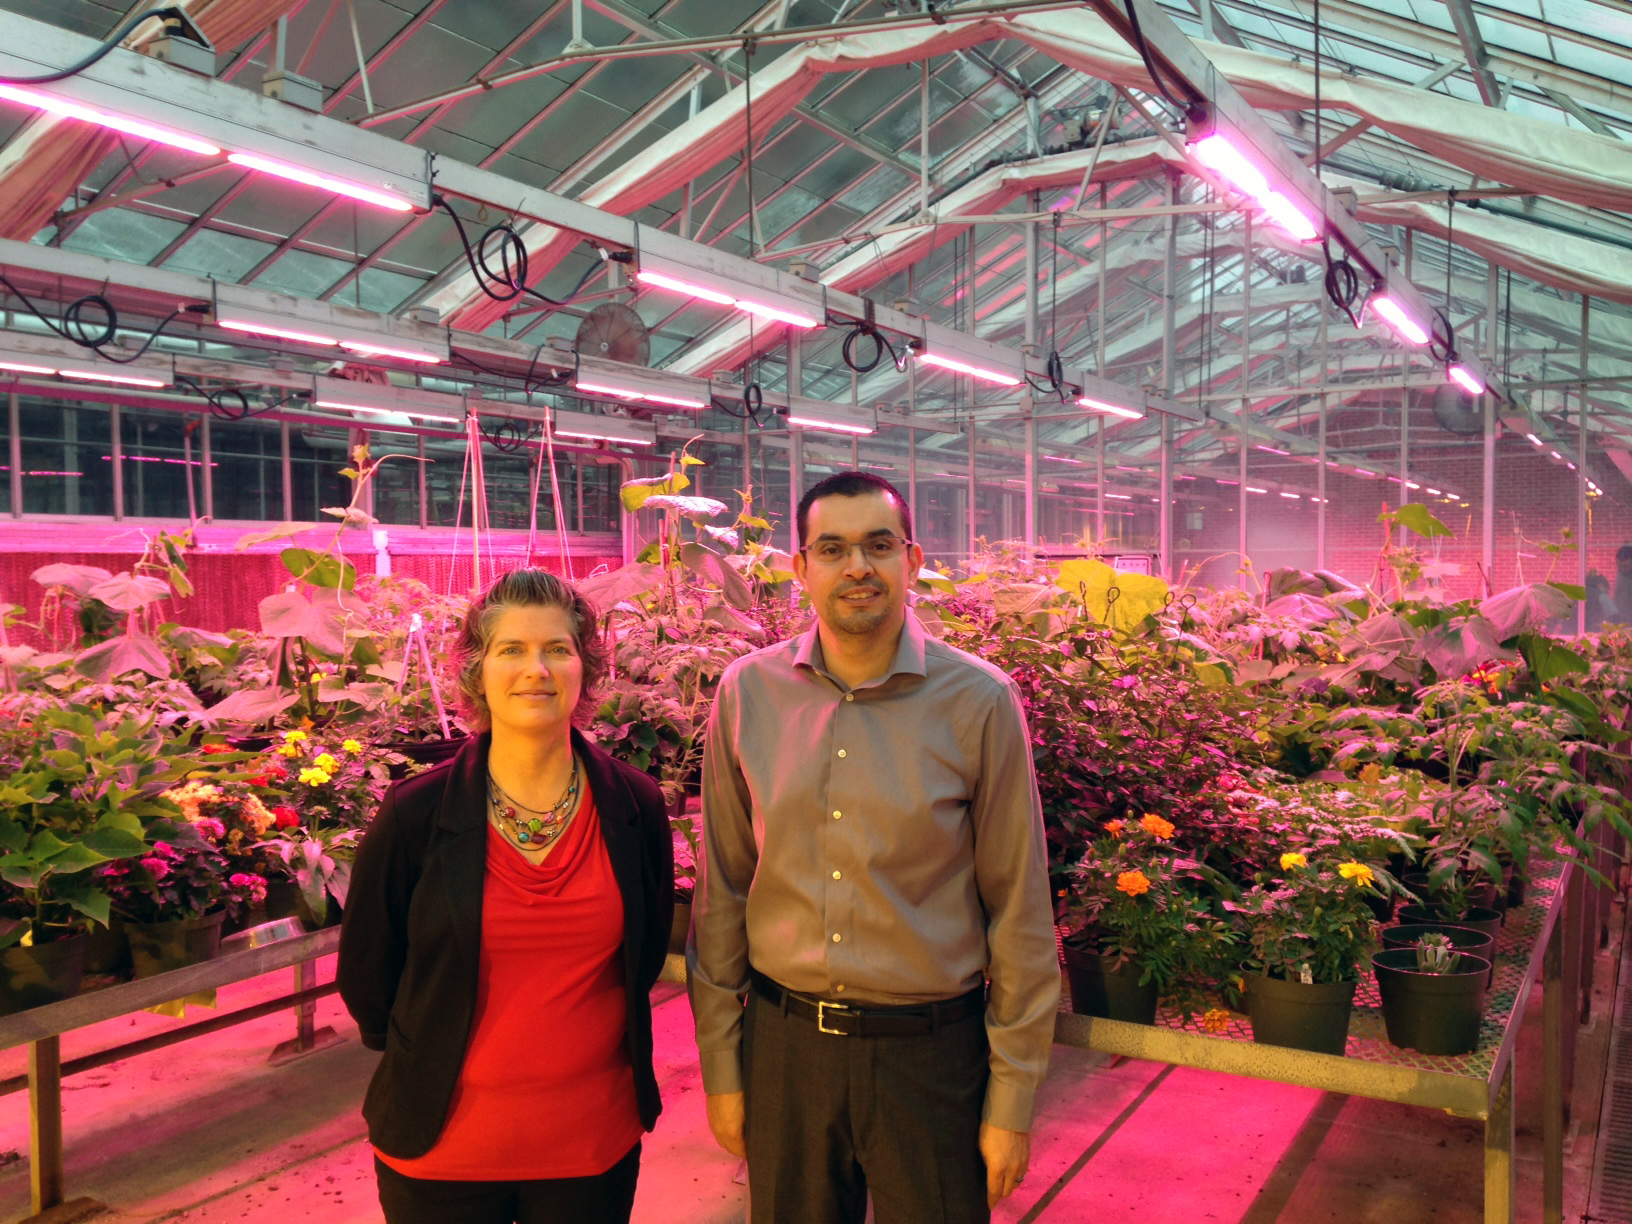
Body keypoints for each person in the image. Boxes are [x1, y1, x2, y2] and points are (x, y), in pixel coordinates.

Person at [688, 471, 1060, 1224]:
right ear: (802, 569)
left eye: (878, 546)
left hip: (930, 1061)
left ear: (911, 561)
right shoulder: (747, 694)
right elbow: (722, 891)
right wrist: (725, 1067)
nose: (857, 566)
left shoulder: (978, 703)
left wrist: (1012, 1099)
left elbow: (1018, 907)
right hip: (787, 1052)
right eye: (832, 548)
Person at [339, 568, 673, 1224]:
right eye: (512, 650)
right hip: (442, 1149)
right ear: (477, 670)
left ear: (585, 667)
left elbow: (646, 954)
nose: (536, 670)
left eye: (558, 648)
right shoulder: (418, 813)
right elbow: (368, 974)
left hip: (589, 1148)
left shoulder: (635, 806)